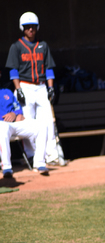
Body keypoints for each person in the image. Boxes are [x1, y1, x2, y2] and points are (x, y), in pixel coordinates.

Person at [5, 11, 63, 172]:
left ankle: (50, 155)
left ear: (37, 28)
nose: (30, 29)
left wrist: (51, 87)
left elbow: (49, 68)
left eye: (33, 27)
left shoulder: (43, 45)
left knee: (47, 122)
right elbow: (13, 71)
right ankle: (31, 155)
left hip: (41, 86)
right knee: (28, 122)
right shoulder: (16, 46)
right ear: (22, 28)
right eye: (27, 27)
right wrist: (18, 89)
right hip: (24, 86)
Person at [0, 87, 48, 178]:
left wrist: (16, 114)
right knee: (3, 127)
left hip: (15, 123)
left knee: (41, 126)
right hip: (2, 124)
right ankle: (6, 167)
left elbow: (17, 107)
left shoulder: (7, 91)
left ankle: (39, 163)